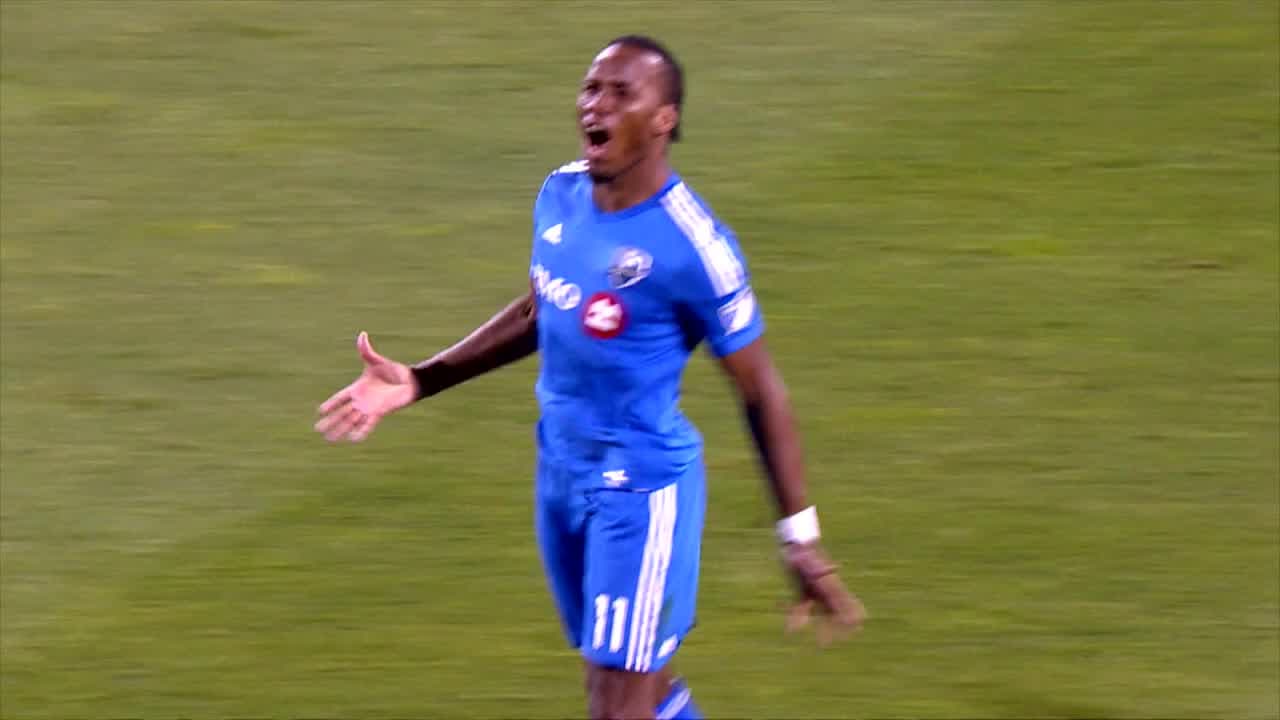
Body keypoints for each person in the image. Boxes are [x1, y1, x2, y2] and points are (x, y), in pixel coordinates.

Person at [314, 34, 866, 720]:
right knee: (632, 689)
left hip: (640, 490)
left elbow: (760, 390)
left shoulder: (695, 248)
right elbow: (544, 307)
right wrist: (421, 380)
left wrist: (799, 537)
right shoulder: (561, 194)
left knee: (616, 703)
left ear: (663, 119)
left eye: (620, 93)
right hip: (563, 474)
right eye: (590, 88)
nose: (595, 105)